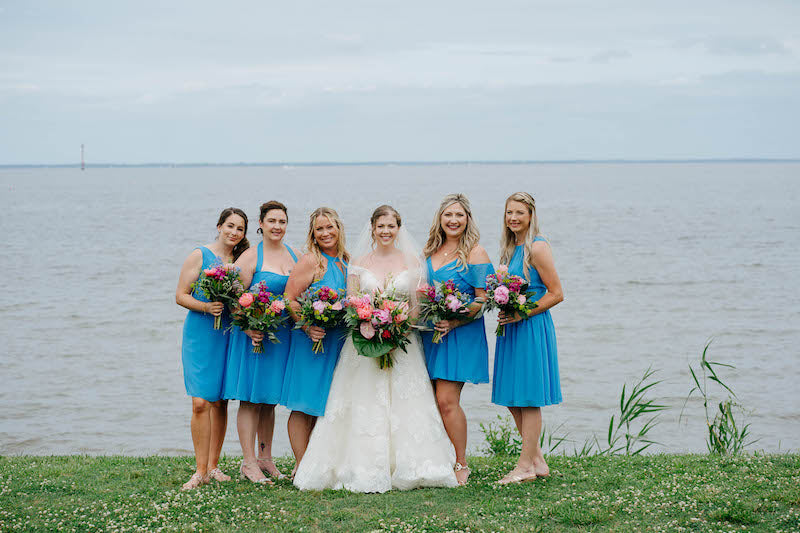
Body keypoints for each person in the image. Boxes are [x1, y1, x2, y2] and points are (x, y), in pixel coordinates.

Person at [294, 205, 458, 492]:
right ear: (372, 228)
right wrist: (370, 326)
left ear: (398, 228)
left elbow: (417, 308)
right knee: (363, 403)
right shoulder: (357, 262)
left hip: (402, 343)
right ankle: (358, 465)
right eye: (380, 226)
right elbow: (353, 302)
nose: (385, 231)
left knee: (407, 406)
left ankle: (410, 466)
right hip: (364, 345)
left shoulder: (413, 262)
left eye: (390, 226)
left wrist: (398, 329)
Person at [420, 194, 494, 485]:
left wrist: (454, 320)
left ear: (468, 220)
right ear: (440, 219)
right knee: (430, 400)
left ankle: (462, 462)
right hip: (429, 334)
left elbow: (483, 300)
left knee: (447, 400)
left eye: (459, 215)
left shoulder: (475, 253)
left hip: (461, 334)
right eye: (448, 215)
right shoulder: (429, 251)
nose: (453, 220)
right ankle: (439, 457)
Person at [223, 201, 298, 484]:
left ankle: (266, 459)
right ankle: (248, 462)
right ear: (261, 223)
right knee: (251, 400)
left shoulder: (294, 254)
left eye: (282, 221)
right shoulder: (252, 256)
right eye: (272, 221)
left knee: (269, 401)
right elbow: (234, 297)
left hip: (282, 336)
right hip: (255, 338)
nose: (277, 226)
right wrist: (247, 328)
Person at [175, 207, 249, 490]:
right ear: (219, 226)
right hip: (201, 334)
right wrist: (206, 306)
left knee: (220, 402)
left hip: (228, 334)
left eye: (239, 229)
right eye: (230, 226)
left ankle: (214, 466)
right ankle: (199, 469)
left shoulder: (241, 261)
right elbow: (180, 295)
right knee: (200, 403)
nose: (234, 232)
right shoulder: (200, 255)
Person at [492, 192, 563, 484]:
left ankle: (524, 466)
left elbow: (556, 293)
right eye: (509, 212)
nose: (513, 218)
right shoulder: (512, 248)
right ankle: (537, 460)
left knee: (528, 398)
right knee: (511, 396)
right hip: (512, 328)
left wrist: (523, 314)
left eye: (519, 212)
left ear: (531, 215)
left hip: (531, 326)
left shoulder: (537, 247)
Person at [280, 207, 349, 477]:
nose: (325, 233)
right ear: (313, 234)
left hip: (337, 343)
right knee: (304, 402)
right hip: (311, 342)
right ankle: (301, 464)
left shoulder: (346, 262)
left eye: (330, 227)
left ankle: (320, 461)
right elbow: (289, 298)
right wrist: (308, 326)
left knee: (326, 402)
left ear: (339, 229)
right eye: (319, 229)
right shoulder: (311, 261)